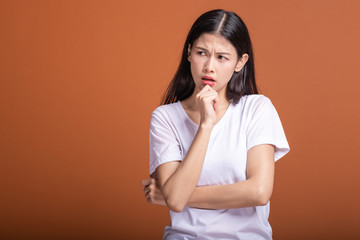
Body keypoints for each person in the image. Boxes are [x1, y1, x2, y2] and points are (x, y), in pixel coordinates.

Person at [141, 9, 289, 240]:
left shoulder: (257, 109)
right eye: (202, 53)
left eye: (222, 57)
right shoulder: (164, 118)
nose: (209, 66)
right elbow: (176, 200)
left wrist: (171, 195)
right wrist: (206, 125)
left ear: (240, 62)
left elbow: (259, 191)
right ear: (189, 52)